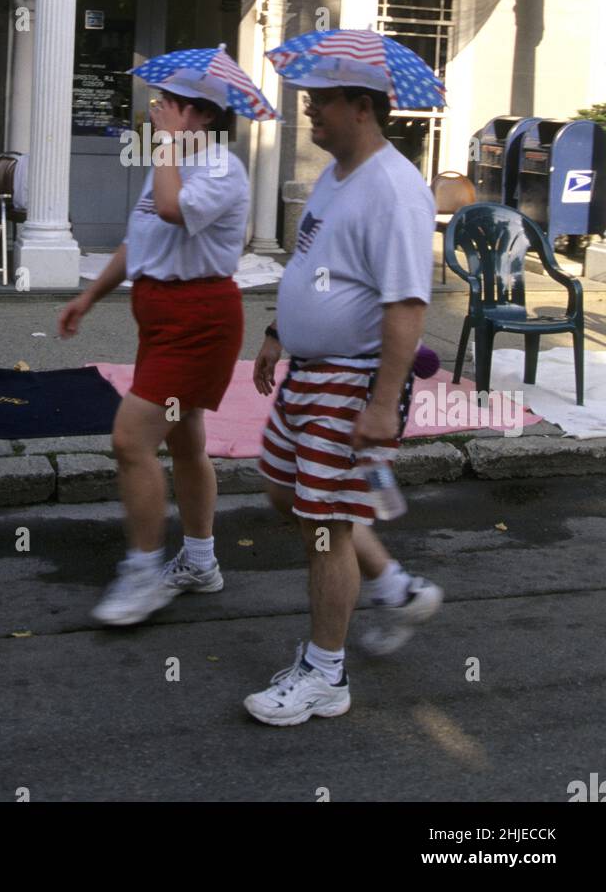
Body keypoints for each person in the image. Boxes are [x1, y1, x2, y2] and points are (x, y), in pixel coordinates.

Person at [246, 63, 443, 725]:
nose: (308, 114)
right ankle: (394, 586)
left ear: (361, 107)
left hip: (352, 378)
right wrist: (278, 330)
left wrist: (383, 404)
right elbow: (310, 263)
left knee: (323, 528)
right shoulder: (334, 176)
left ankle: (325, 673)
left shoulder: (395, 189)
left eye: (319, 102)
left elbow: (408, 304)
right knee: (282, 490)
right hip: (308, 370)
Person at [58, 73, 251, 627]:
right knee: (186, 441)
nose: (158, 109)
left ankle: (142, 575)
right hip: (161, 318)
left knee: (129, 440)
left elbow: (171, 210)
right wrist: (89, 295)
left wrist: (165, 145)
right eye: (161, 101)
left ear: (204, 117)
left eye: (171, 104)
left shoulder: (220, 169)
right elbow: (137, 235)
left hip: (199, 322)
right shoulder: (168, 160)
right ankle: (199, 562)